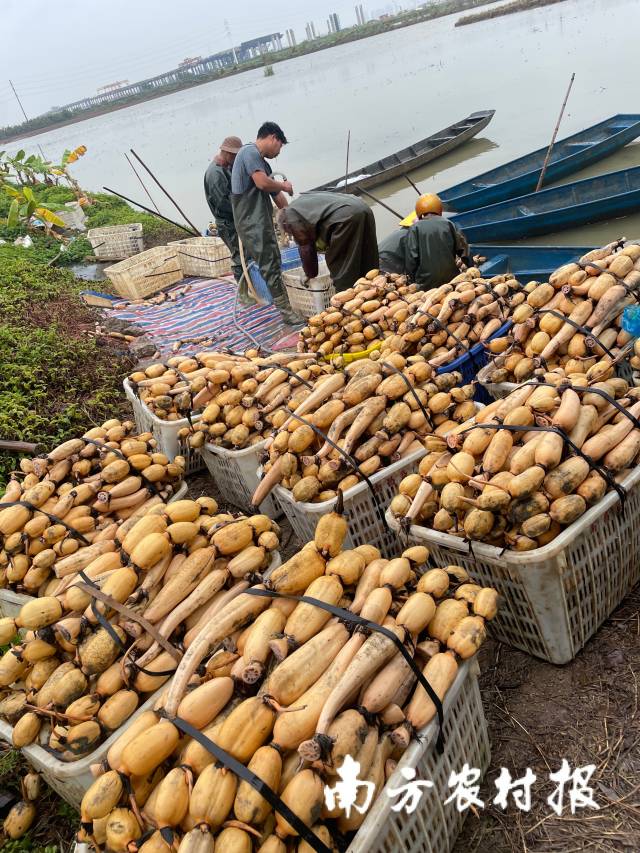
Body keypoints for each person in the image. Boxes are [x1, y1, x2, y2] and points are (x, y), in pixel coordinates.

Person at [231, 121, 300, 324]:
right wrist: (285, 186)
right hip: (251, 223)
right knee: (269, 265)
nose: (278, 153)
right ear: (272, 138)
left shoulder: (262, 163)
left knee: (275, 261)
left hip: (261, 221)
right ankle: (287, 313)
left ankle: (286, 304)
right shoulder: (249, 153)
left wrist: (291, 217)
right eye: (279, 146)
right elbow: (263, 183)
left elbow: (276, 196)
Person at [277, 191, 379, 292]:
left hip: (345, 218)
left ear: (285, 225)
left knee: (341, 265)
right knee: (368, 257)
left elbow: (306, 248)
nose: (292, 235)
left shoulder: (290, 219)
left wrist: (310, 273)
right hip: (363, 207)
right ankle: (374, 290)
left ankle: (344, 299)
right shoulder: (299, 203)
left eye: (289, 233)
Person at [204, 136, 255, 305]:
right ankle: (243, 294)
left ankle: (252, 287)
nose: (236, 159)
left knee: (246, 254)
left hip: (237, 219)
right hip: (228, 223)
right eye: (234, 155)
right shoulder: (215, 174)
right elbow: (223, 204)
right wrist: (244, 208)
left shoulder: (227, 167)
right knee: (239, 256)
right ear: (225, 152)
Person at [405, 193, 470, 290]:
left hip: (426, 284)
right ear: (439, 208)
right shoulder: (449, 224)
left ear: (418, 211)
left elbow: (411, 259)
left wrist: (412, 280)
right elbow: (463, 249)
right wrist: (471, 267)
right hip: (452, 279)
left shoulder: (414, 228)